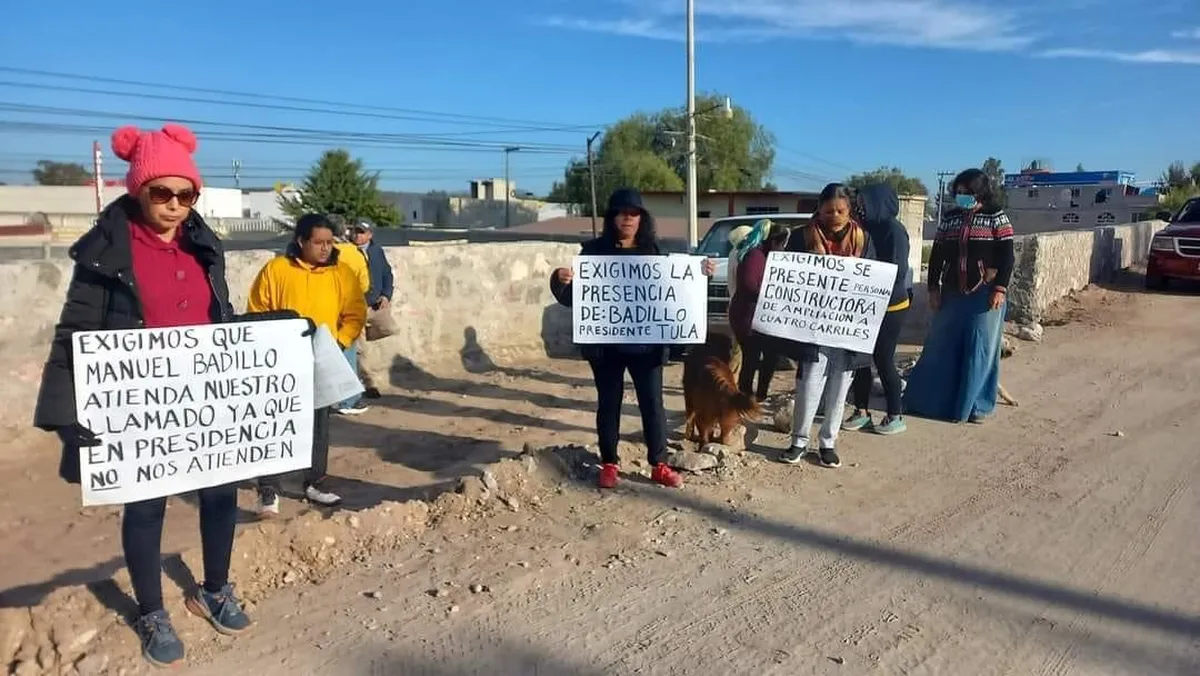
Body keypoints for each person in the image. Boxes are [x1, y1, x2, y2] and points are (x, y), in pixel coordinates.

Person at [32, 124, 253, 667]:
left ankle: (214, 589)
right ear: (137, 189)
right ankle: (152, 610)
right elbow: (75, 332)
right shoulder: (106, 254)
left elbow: (219, 316)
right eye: (162, 193)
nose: (175, 205)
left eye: (187, 194)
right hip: (141, 408)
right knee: (146, 506)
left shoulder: (205, 246)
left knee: (222, 494)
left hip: (206, 399)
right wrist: (66, 411)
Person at [550, 188, 714, 490]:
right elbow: (575, 299)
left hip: (646, 347)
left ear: (642, 218)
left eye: (634, 213)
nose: (627, 218)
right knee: (608, 404)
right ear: (612, 217)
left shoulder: (656, 253)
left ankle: (659, 464)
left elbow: (679, 292)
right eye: (621, 212)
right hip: (605, 347)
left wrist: (701, 273)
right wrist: (559, 279)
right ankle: (609, 463)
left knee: (653, 404)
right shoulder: (592, 253)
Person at [248, 213, 368, 512]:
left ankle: (315, 482)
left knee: (318, 424)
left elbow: (355, 314)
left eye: (329, 242)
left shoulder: (342, 274)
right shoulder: (277, 270)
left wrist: (339, 342)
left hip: (321, 360)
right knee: (274, 423)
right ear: (300, 241)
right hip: (280, 361)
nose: (325, 248)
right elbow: (257, 310)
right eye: (318, 242)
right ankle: (269, 489)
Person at [777, 183, 877, 468]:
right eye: (829, 210)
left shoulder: (863, 240)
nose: (834, 215)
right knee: (809, 382)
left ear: (850, 211)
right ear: (819, 209)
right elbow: (788, 276)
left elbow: (873, 280)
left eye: (841, 210)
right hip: (813, 326)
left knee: (840, 384)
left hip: (848, 326)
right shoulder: (800, 238)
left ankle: (828, 442)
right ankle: (798, 441)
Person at [903, 168, 1014, 423]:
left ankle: (975, 406)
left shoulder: (997, 217)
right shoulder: (950, 218)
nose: (962, 196)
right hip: (953, 292)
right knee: (940, 346)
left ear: (981, 192)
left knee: (979, 350)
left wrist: (999, 288)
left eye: (968, 192)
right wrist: (933, 288)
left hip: (984, 295)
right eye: (959, 192)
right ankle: (927, 402)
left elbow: (1007, 257)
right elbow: (938, 256)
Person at [843, 183, 912, 436]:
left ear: (877, 203)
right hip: (867, 304)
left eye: (863, 204)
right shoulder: (865, 229)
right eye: (858, 204)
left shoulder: (895, 232)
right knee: (860, 359)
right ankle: (861, 410)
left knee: (883, 359)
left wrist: (869, 283)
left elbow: (897, 272)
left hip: (892, 305)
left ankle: (895, 414)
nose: (859, 208)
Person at [727, 218, 789, 400]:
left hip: (755, 317)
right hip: (748, 318)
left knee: (767, 356)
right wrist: (772, 293)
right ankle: (746, 395)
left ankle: (758, 394)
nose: (783, 248)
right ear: (774, 241)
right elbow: (748, 284)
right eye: (781, 244)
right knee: (752, 358)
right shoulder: (756, 256)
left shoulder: (761, 255)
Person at [349, 219, 395, 400]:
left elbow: (386, 273)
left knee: (389, 328)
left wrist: (386, 295)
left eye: (361, 232)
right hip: (356, 305)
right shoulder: (348, 252)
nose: (357, 235)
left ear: (370, 235)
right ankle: (369, 384)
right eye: (355, 231)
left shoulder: (376, 251)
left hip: (374, 304)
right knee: (361, 349)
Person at [329, 222, 372, 415]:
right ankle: (348, 401)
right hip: (346, 311)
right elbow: (364, 284)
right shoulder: (355, 254)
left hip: (322, 310)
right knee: (347, 355)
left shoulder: (318, 253)